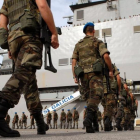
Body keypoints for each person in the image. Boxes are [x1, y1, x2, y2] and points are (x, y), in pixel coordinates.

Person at [0, 0, 59, 137]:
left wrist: (8, 43)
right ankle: (1, 109)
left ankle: (40, 122)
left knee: (29, 81)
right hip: (29, 34)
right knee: (25, 72)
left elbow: (2, 21)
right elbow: (43, 6)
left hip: (13, 38)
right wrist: (54, 32)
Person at [72, 22, 113, 133]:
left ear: (85, 32)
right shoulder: (97, 42)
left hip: (82, 75)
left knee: (89, 98)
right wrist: (110, 70)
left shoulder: (78, 44)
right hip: (95, 74)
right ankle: (89, 118)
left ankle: (93, 125)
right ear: (93, 30)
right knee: (97, 95)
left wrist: (74, 75)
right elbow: (106, 56)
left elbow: (74, 61)